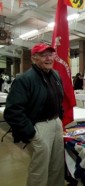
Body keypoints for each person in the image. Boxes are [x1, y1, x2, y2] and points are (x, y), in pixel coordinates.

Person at [4, 43, 65, 186]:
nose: (49, 58)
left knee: (57, 167)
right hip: (39, 127)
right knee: (40, 169)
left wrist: (59, 120)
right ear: (34, 59)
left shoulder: (55, 75)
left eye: (51, 55)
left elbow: (59, 100)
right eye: (44, 55)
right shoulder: (24, 80)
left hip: (56, 124)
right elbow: (12, 111)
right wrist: (31, 133)